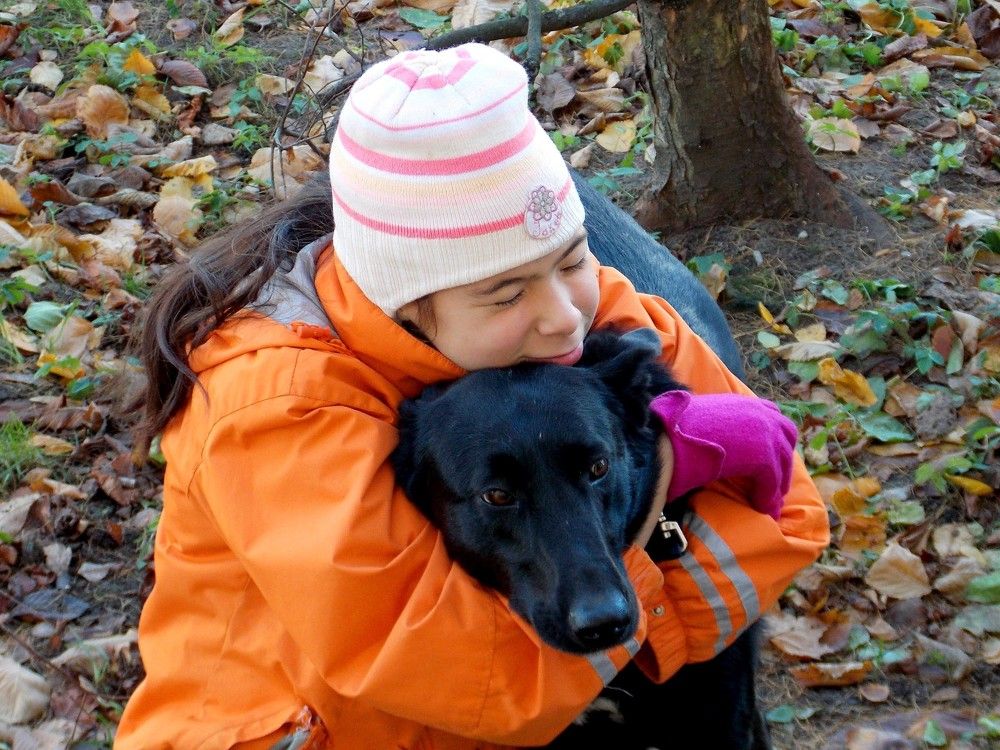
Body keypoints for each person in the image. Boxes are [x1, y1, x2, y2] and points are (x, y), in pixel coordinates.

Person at [115, 43, 829, 749]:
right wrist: (665, 469)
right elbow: (484, 679)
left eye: (574, 258)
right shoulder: (276, 409)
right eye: (505, 293)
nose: (561, 314)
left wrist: (632, 603)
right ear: (403, 305)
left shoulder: (581, 317)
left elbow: (787, 519)